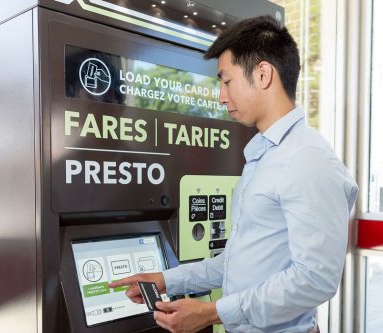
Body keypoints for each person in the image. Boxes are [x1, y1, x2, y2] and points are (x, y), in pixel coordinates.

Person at [108, 15, 358, 333]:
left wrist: (212, 312)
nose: (221, 96)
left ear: (263, 74)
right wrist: (165, 279)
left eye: (227, 81)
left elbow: (314, 280)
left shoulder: (306, 159)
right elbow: (238, 263)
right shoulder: (265, 156)